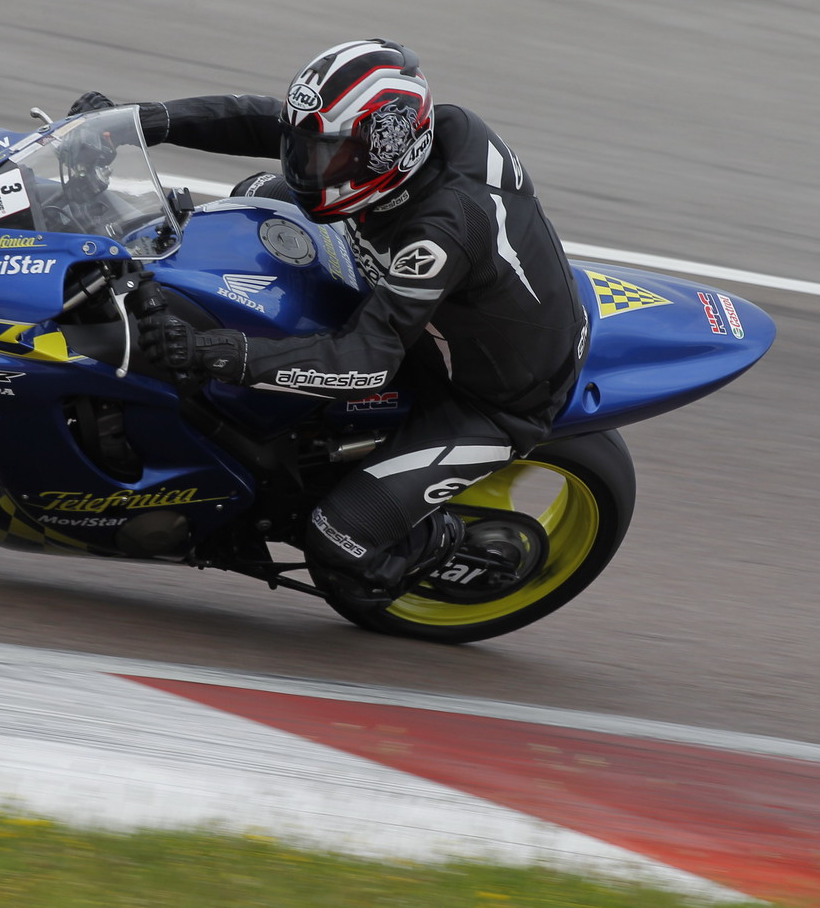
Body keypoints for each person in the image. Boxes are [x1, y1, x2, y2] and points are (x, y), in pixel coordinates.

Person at [69, 39, 585, 605]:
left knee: (339, 544)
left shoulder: (443, 232)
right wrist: (142, 121)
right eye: (307, 149)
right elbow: (267, 121)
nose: (304, 166)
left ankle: (449, 545)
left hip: (486, 397)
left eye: (326, 156)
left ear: (385, 155)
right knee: (255, 198)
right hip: (410, 295)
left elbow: (367, 361)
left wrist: (211, 350)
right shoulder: (413, 143)